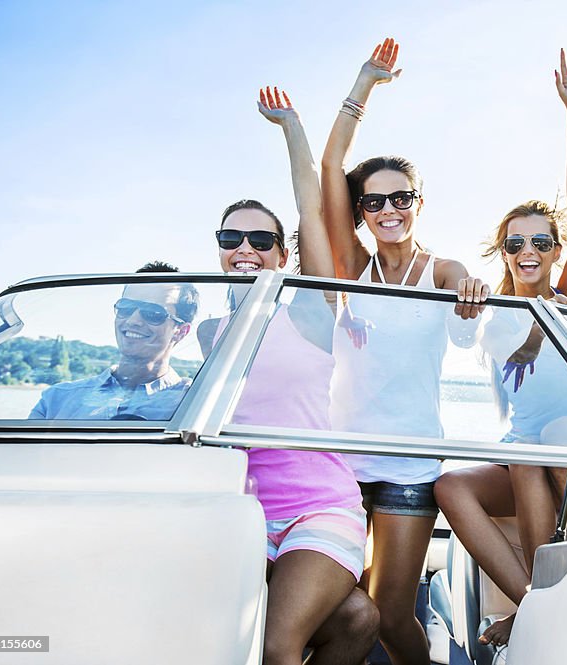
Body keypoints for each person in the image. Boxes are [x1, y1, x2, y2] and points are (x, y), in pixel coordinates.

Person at [196, 87, 377, 665]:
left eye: (261, 240)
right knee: (356, 617)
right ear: (220, 251)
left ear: (282, 255)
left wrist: (291, 128)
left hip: (317, 505)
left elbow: (312, 210)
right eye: (231, 239)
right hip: (238, 505)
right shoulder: (207, 334)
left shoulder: (308, 310)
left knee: (275, 647)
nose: (244, 249)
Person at [320, 38, 486, 665]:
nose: (388, 209)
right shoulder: (350, 267)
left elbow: (466, 326)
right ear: (361, 213)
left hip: (410, 466)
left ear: (418, 202)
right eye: (374, 201)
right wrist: (364, 84)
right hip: (337, 462)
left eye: (401, 198)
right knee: (341, 608)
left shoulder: (445, 269)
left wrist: (471, 301)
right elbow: (330, 168)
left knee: (389, 614)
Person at [434, 45, 567, 648]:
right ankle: (533, 602)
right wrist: (465, 306)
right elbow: (457, 332)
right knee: (449, 485)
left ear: (556, 249)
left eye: (541, 241)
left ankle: (539, 608)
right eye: (515, 243)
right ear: (502, 251)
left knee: (533, 453)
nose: (528, 250)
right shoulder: (489, 309)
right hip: (522, 452)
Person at [29, 263, 198, 420]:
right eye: (126, 308)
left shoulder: (197, 405)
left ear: (181, 331)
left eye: (153, 313)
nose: (133, 320)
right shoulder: (55, 400)